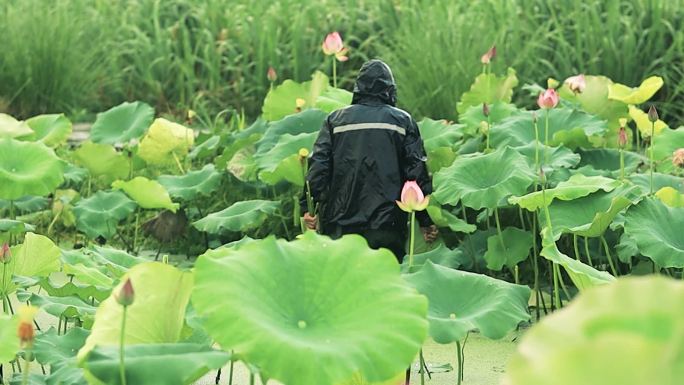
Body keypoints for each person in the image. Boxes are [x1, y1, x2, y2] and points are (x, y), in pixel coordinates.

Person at [301, 59, 437, 262]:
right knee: (384, 285)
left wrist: (307, 209)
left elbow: (318, 169)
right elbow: (415, 175)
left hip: (340, 224)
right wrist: (425, 221)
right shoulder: (402, 122)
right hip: (388, 226)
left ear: (358, 88)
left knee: (344, 285)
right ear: (390, 90)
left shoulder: (335, 121)